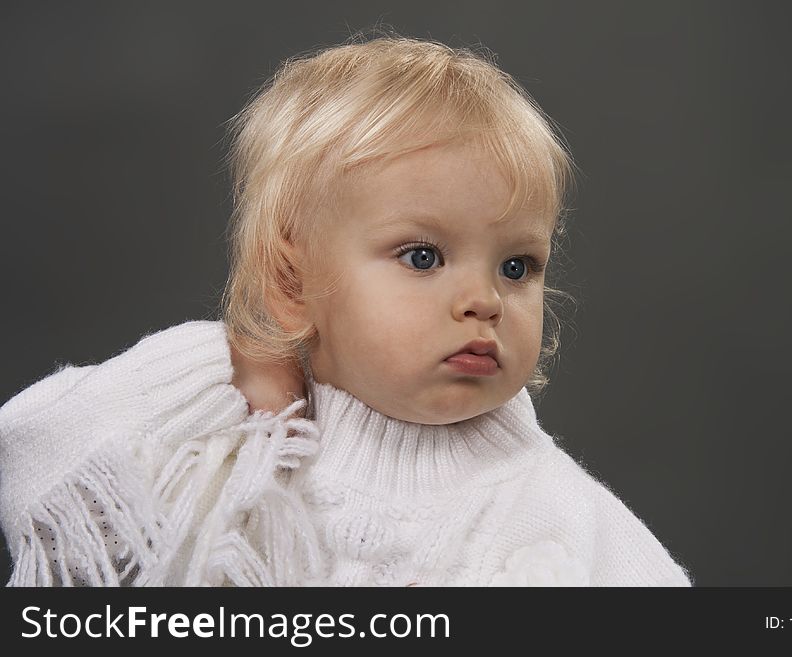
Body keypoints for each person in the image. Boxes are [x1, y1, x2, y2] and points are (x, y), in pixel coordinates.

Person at [0, 33, 692, 587]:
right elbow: (28, 458)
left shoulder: (555, 514)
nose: (485, 300)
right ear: (292, 282)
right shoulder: (235, 430)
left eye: (518, 266)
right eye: (422, 256)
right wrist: (237, 369)